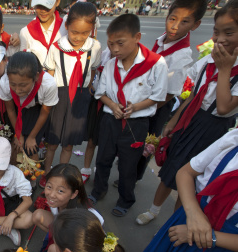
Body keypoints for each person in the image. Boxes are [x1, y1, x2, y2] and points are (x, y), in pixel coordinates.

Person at [137, 1, 238, 225]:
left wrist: (224, 70)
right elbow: (193, 94)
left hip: (213, 129)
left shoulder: (226, 66)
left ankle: (174, 224)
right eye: (216, 32)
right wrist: (174, 119)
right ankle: (153, 210)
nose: (220, 39)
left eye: (229, 32)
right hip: (191, 118)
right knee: (171, 167)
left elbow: (223, 107)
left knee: (190, 179)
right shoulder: (208, 59)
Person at [138, 128, 238, 252]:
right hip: (193, 212)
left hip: (226, 242)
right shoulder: (233, 138)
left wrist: (206, 236)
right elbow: (186, 172)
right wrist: (193, 214)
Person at [134, 0, 205, 225]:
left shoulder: (182, 54)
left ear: (195, 25)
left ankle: (135, 174)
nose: (175, 26)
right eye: (172, 19)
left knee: (148, 143)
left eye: (184, 22)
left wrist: (146, 106)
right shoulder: (160, 41)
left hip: (157, 107)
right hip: (145, 100)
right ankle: (131, 169)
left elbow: (171, 92)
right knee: (137, 140)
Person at [90, 14, 168, 217]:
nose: (114, 49)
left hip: (137, 122)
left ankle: (126, 199)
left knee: (128, 165)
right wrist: (113, 105)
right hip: (110, 119)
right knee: (103, 159)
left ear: (137, 37)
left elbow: (158, 97)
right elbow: (101, 93)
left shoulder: (156, 64)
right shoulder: (110, 65)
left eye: (120, 43)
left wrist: (136, 107)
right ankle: (99, 189)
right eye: (111, 43)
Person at [43, 2, 102, 187]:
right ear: (66, 25)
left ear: (92, 29)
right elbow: (50, 74)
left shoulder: (95, 47)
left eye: (85, 33)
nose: (79, 37)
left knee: (68, 144)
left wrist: (89, 88)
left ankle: (61, 176)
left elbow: (93, 70)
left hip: (80, 98)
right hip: (59, 96)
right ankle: (47, 175)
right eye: (75, 32)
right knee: (52, 142)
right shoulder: (56, 48)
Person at [33, 163, 104, 252]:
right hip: (66, 233)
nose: (52, 195)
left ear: (74, 194)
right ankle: (57, 240)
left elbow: (95, 239)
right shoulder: (57, 202)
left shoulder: (86, 214)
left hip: (80, 247)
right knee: (37, 216)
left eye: (60, 191)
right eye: (49, 186)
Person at [0, 51, 58, 159]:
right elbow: (11, 110)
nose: (17, 90)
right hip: (16, 111)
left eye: (23, 85)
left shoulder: (48, 85)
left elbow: (44, 113)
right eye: (13, 84)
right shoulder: (5, 82)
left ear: (35, 77)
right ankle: (14, 172)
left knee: (30, 148)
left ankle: (31, 173)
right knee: (16, 147)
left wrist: (31, 137)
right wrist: (18, 135)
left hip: (37, 111)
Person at [81, 47, 112, 184]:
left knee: (106, 144)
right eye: (111, 43)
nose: (114, 48)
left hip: (114, 105)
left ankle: (101, 176)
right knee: (92, 139)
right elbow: (93, 71)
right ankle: (86, 169)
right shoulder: (104, 54)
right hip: (98, 102)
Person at [20, 0, 67, 66]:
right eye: (39, 5)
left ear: (57, 2)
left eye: (48, 5)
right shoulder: (25, 32)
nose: (43, 10)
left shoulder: (67, 28)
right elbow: (22, 64)